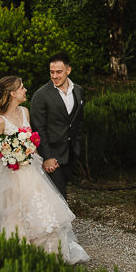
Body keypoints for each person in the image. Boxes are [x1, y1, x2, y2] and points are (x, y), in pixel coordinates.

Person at [0, 75, 88, 264]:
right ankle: (14, 249)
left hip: (30, 168)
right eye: (21, 88)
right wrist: (10, 149)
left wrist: (28, 145)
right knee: (12, 211)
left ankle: (44, 251)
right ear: (12, 93)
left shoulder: (25, 112)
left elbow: (31, 137)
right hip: (9, 171)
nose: (25, 90)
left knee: (40, 208)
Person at [29, 53, 84, 200]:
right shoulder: (40, 95)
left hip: (71, 153)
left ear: (68, 70)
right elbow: (38, 128)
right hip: (51, 155)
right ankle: (63, 224)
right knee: (59, 197)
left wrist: (77, 147)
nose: (55, 76)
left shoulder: (78, 90)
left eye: (59, 72)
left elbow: (78, 121)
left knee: (57, 195)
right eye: (51, 72)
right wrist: (47, 157)